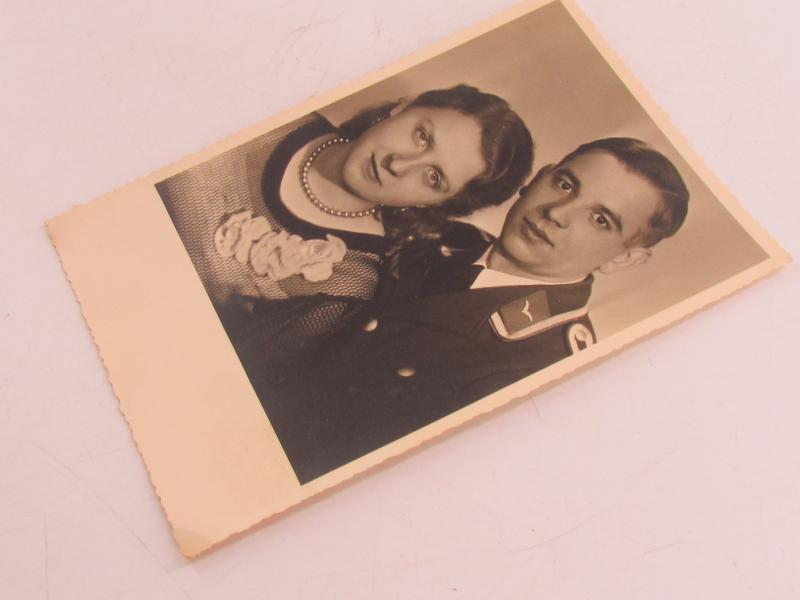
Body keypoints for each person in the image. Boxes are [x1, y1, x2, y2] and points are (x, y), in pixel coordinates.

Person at [251, 137, 691, 483]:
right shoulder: (441, 237)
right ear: (538, 177)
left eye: (601, 220)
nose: (557, 213)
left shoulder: (543, 369)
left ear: (623, 259)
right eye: (565, 185)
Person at [156, 85, 533, 311]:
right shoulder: (270, 111)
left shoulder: (348, 282)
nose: (399, 165)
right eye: (421, 136)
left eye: (433, 177)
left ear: (435, 206)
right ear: (402, 107)